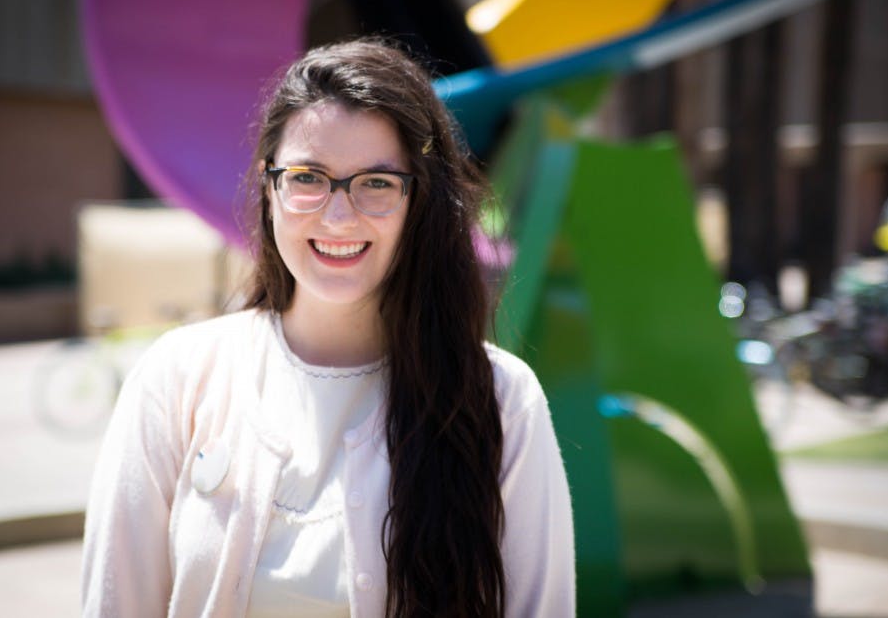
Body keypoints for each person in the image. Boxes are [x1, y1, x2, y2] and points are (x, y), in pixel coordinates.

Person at [82, 39, 575, 617]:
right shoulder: (178, 378)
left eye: (376, 183)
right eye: (308, 177)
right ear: (270, 189)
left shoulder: (501, 400)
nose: (339, 215)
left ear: (420, 203)